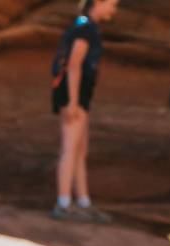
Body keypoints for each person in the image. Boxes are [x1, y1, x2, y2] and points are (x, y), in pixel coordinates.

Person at [49, 0, 121, 222]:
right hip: (74, 96)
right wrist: (72, 101)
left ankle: (83, 201)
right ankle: (63, 203)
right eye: (112, 3)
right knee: (70, 148)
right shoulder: (84, 28)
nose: (114, 9)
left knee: (80, 150)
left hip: (79, 97)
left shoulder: (86, 26)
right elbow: (74, 65)